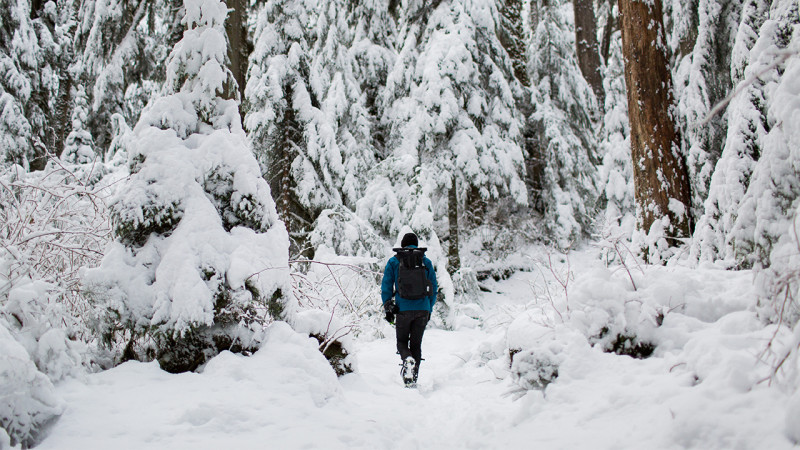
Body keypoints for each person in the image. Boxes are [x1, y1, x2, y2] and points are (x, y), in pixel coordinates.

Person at [381, 232, 438, 386]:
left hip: (402, 309)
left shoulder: (394, 261)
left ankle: (407, 360)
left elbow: (386, 285)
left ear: (403, 245)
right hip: (422, 310)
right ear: (416, 244)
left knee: (401, 343)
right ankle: (413, 379)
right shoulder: (425, 261)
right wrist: (429, 308)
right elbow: (433, 288)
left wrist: (388, 306)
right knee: (416, 345)